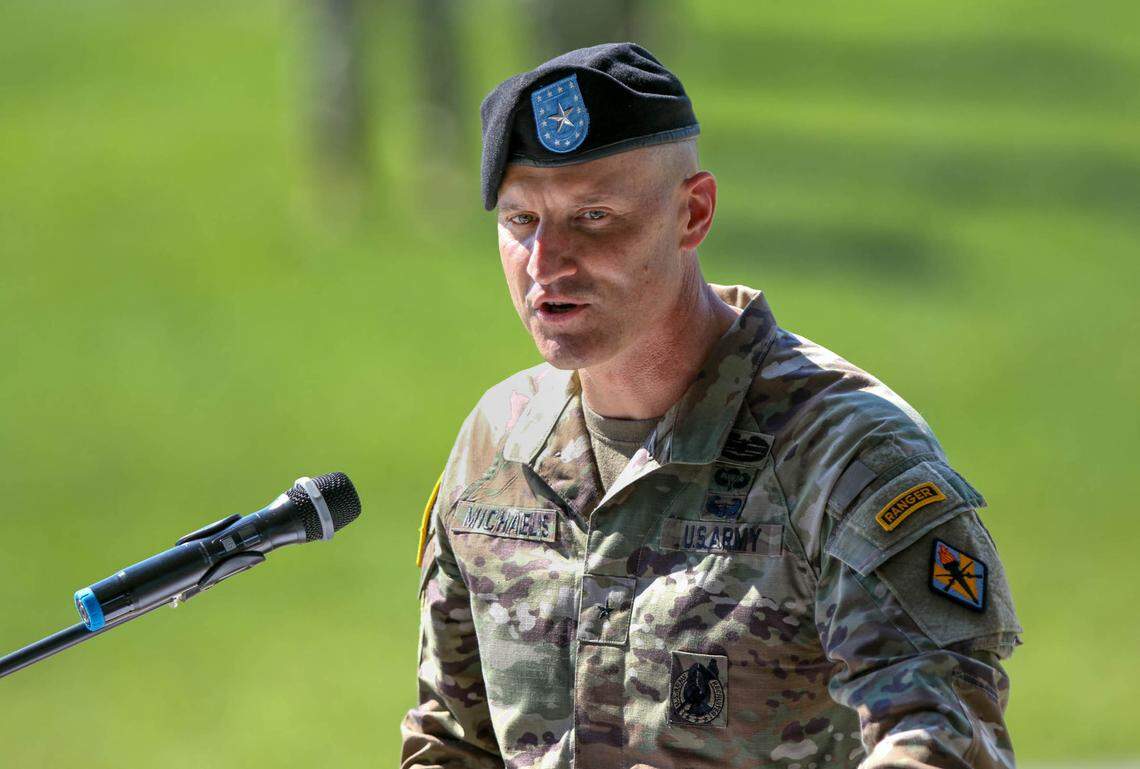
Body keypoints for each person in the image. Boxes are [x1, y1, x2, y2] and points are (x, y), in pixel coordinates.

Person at [401, 43, 1023, 769]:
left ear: (692, 213)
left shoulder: (844, 455)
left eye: (593, 217)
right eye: (520, 222)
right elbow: (450, 741)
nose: (546, 263)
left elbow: (943, 737)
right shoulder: (497, 446)